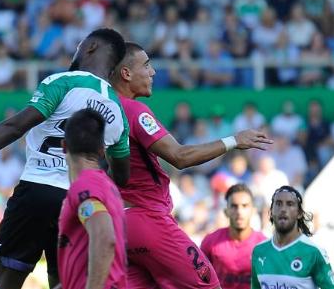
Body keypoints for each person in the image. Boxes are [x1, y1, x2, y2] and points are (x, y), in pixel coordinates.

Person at [0, 28, 131, 289]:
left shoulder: (62, 82)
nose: (76, 50)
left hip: (36, 190)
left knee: (7, 279)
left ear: (91, 48)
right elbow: (121, 175)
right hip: (78, 198)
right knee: (62, 281)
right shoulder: (119, 111)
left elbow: (15, 127)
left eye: (79, 46)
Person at [110, 42, 272, 289]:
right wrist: (234, 140)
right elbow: (180, 156)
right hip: (149, 220)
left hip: (121, 223)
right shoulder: (134, 111)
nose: (152, 72)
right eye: (146, 65)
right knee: (208, 285)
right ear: (126, 73)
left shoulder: (104, 109)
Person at [58, 108, 127, 289]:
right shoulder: (107, 186)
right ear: (101, 150)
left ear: (64, 146)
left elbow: (105, 238)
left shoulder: (85, 186)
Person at [251, 186, 334, 289]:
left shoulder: (313, 252)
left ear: (299, 213)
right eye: (278, 204)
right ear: (271, 212)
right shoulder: (259, 251)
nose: (283, 209)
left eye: (290, 204)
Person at [200, 184, 266, 289]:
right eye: (234, 206)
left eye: (245, 206)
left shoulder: (264, 245)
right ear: (226, 212)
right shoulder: (211, 241)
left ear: (253, 211)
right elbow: (199, 279)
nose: (239, 212)